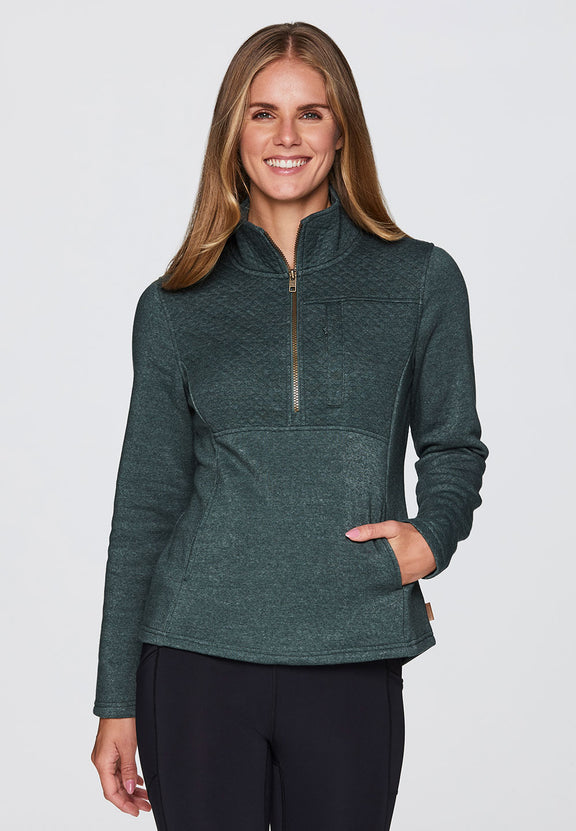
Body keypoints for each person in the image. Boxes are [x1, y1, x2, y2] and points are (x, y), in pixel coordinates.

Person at [90, 20, 489, 831]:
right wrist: (115, 700)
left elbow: (454, 444)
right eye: (263, 113)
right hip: (194, 656)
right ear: (233, 133)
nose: (286, 136)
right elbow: (145, 508)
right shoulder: (175, 304)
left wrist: (433, 535)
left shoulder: (421, 278)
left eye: (310, 112)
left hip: (350, 646)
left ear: (342, 131)